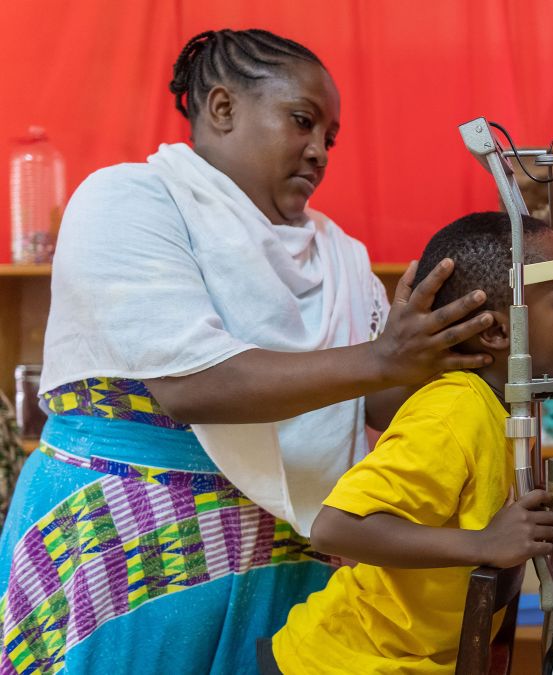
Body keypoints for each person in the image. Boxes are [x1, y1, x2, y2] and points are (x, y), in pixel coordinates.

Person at [0, 29, 496, 674]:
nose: (318, 151)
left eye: (330, 138)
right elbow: (192, 387)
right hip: (125, 545)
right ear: (222, 107)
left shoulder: (338, 252)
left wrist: (452, 351)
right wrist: (383, 358)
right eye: (302, 121)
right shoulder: (130, 199)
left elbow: (367, 403)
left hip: (285, 555)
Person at [269, 212, 553, 673]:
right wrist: (482, 544)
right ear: (498, 332)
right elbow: (336, 527)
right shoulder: (453, 411)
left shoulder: (508, 408)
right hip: (342, 663)